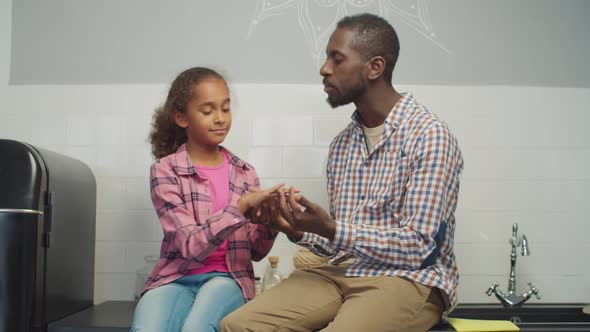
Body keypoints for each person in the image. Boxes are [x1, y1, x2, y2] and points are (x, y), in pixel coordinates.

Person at [220, 13, 464, 332]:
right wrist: (293, 227)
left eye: (337, 59)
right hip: (342, 271)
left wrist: (332, 228)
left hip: (408, 278)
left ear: (374, 67)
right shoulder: (343, 145)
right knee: (237, 326)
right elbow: (341, 243)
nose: (324, 68)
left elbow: (418, 246)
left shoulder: (430, 136)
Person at [130, 67, 284, 332]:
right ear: (181, 117)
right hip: (174, 278)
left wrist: (272, 222)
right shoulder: (166, 171)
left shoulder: (245, 173)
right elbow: (188, 244)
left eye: (225, 108)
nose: (220, 118)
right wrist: (239, 209)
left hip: (229, 278)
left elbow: (256, 252)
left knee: (196, 328)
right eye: (208, 110)